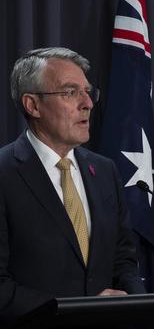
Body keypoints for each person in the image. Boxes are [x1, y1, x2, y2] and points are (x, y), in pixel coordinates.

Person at [0, 47, 145, 324]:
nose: (88, 103)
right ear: (33, 105)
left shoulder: (104, 171)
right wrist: (78, 310)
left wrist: (134, 300)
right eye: (70, 92)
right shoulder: (4, 173)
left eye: (88, 91)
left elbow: (123, 259)